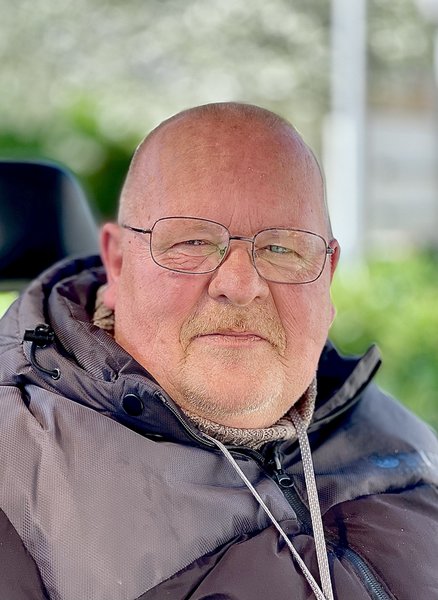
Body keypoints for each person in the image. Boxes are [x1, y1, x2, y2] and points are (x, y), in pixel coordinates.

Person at [0, 102, 436, 600]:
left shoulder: (403, 439)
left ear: (326, 276)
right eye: (192, 241)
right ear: (118, 263)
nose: (240, 285)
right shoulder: (14, 476)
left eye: (282, 248)